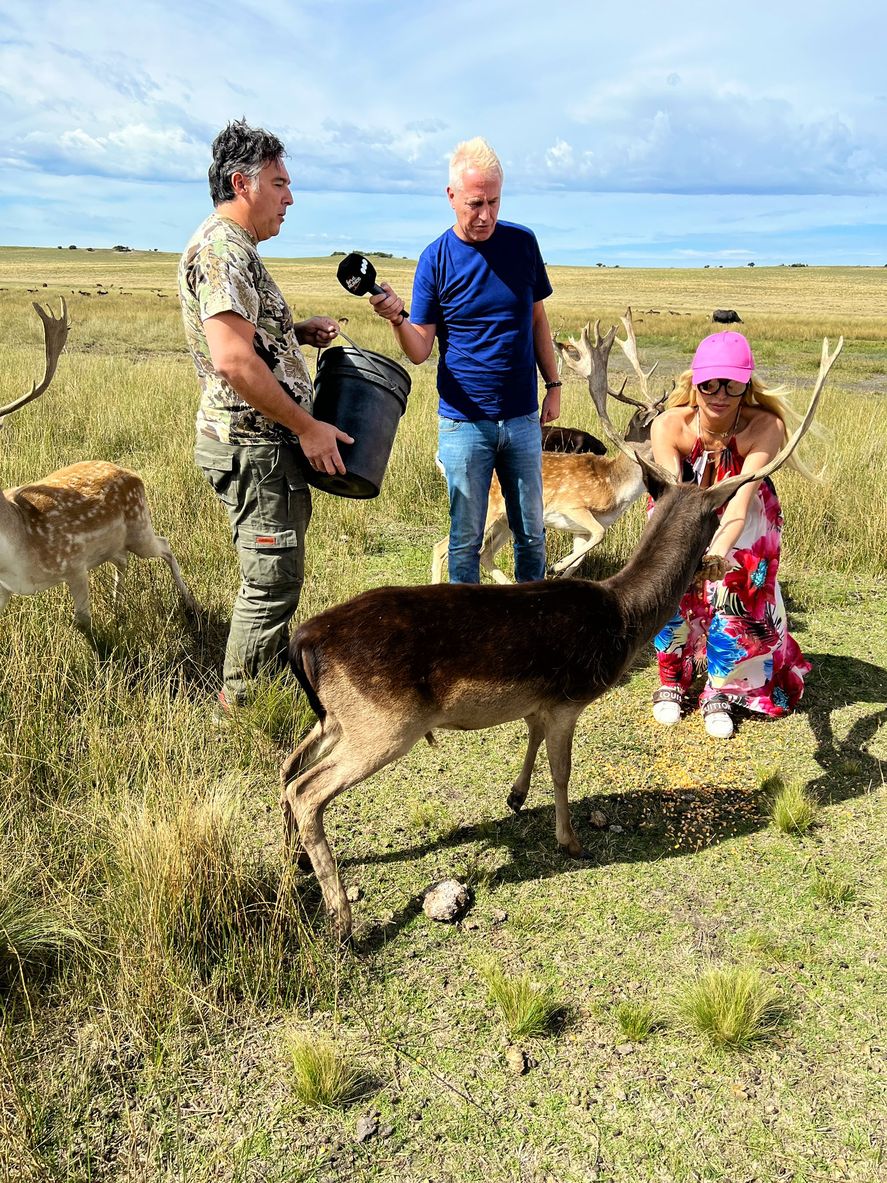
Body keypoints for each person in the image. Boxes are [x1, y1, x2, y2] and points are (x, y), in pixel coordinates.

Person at [178, 119, 353, 714]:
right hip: (253, 446)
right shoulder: (226, 249)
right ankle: (245, 707)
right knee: (271, 579)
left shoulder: (234, 248)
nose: (289, 197)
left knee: (274, 573)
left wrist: (292, 334)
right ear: (241, 184)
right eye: (279, 182)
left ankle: (259, 679)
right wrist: (307, 426)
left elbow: (242, 341)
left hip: (256, 444)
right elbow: (230, 359)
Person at [369, 137, 561, 583]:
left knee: (531, 534)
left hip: (521, 420)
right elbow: (419, 351)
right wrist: (396, 318)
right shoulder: (434, 260)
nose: (486, 216)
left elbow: (537, 319)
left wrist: (553, 384)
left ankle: (531, 626)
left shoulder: (522, 244)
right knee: (465, 540)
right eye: (476, 203)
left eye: (494, 202)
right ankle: (466, 639)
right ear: (451, 196)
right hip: (463, 424)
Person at [648, 330, 813, 739]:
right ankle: (672, 677)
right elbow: (671, 497)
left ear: (746, 386)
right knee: (670, 584)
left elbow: (738, 505)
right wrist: (686, 551)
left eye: (732, 384)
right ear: (695, 383)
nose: (720, 394)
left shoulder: (765, 427)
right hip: (680, 510)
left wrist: (715, 558)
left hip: (747, 517)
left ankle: (721, 689)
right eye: (710, 383)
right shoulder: (669, 425)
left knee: (736, 589)